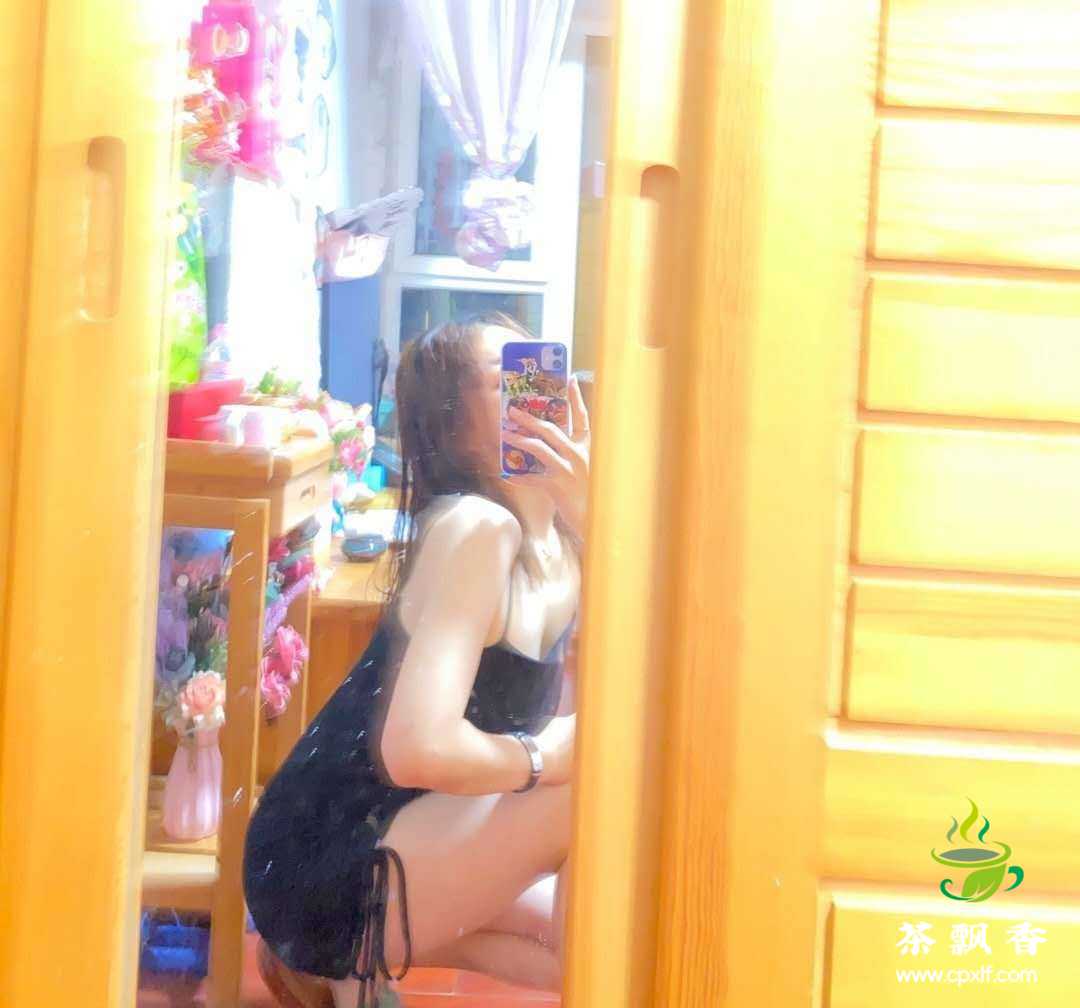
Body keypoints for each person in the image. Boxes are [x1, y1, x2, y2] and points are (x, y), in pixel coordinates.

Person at [244, 313, 590, 1008]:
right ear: (453, 425)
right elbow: (416, 748)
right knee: (592, 790)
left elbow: (631, 668)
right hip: (321, 860)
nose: (534, 390)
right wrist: (543, 759)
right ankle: (331, 948)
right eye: (505, 378)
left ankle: (335, 967)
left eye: (537, 370)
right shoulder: (476, 529)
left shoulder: (562, 542)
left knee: (580, 944)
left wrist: (593, 514)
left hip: (407, 835)